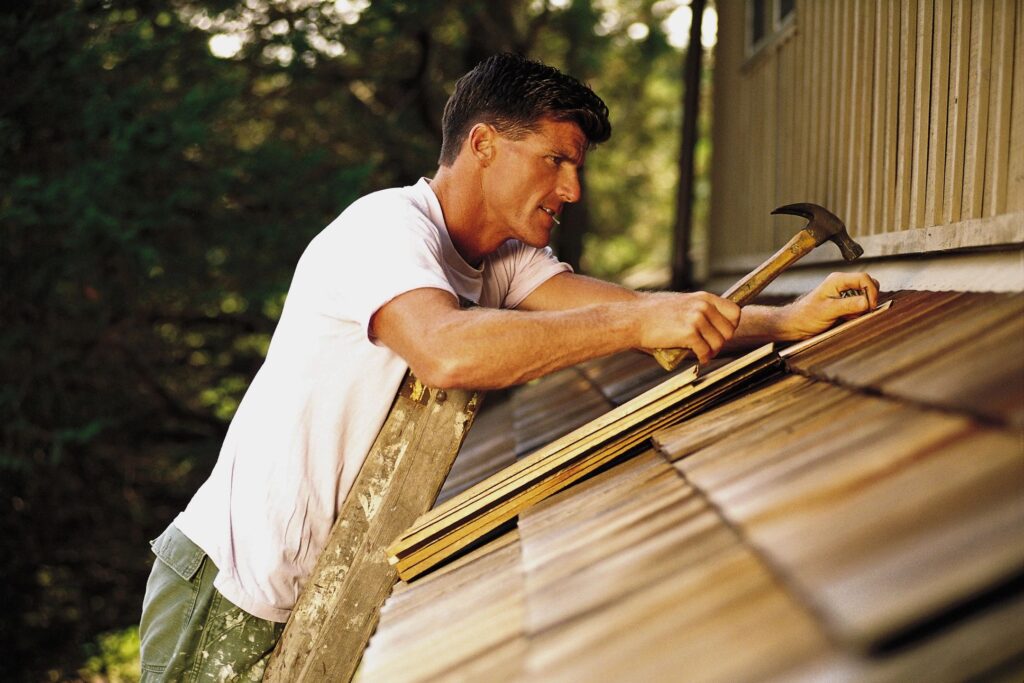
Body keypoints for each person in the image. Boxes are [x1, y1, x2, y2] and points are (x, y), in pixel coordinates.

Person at [139, 53, 879, 681]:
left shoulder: (502, 262)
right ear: (484, 144)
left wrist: (784, 318)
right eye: (554, 160)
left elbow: (644, 308)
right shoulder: (383, 229)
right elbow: (448, 348)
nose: (572, 190)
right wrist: (634, 320)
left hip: (311, 593)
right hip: (224, 587)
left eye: (576, 168)